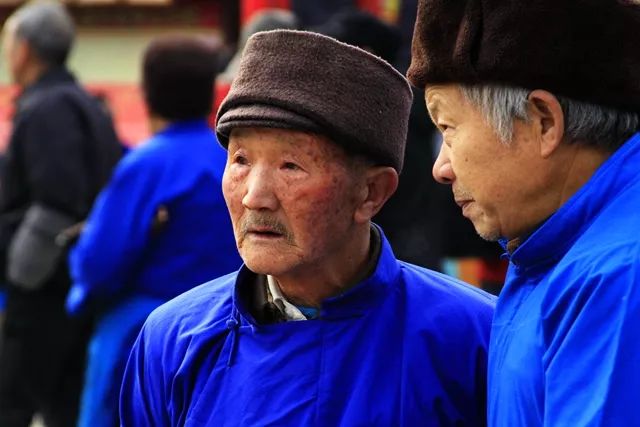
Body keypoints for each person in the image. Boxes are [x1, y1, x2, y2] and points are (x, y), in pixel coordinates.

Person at [120, 29, 495, 426]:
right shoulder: (174, 340)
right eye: (241, 160)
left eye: (290, 166)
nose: (254, 196)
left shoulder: (471, 337)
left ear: (371, 192)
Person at [407, 0, 640, 425]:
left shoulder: (617, 278)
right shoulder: (556, 250)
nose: (441, 167)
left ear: (543, 121)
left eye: (449, 129)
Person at [67, 35, 242, 427]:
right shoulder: (233, 160)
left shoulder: (146, 165)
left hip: (142, 329)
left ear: (147, 94)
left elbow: (98, 262)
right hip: (233, 328)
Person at [0, 1, 122, 426]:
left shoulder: (48, 108)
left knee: (13, 405)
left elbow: (56, 204)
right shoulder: (85, 103)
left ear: (25, 49)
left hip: (46, 288)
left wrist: (20, 278)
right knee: (65, 407)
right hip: (78, 282)